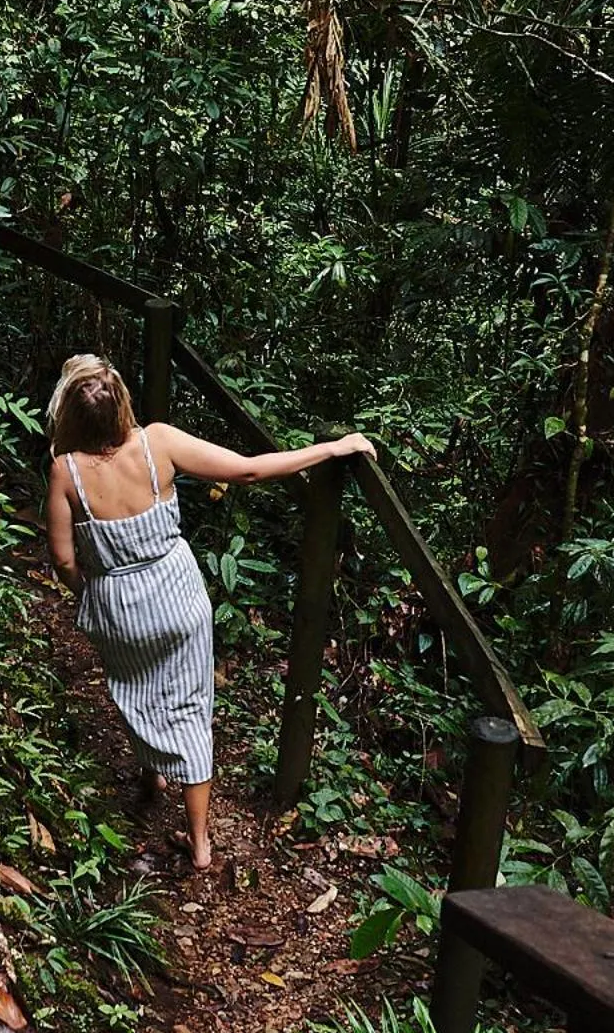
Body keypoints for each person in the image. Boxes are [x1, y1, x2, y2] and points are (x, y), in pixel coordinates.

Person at [44, 353, 376, 872]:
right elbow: (247, 470)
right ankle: (201, 843)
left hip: (120, 610)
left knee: (134, 687)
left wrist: (92, 591)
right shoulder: (158, 443)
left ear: (69, 419)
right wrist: (334, 447)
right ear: (121, 407)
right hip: (178, 600)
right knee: (192, 710)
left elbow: (63, 557)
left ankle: (153, 770)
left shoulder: (66, 472)